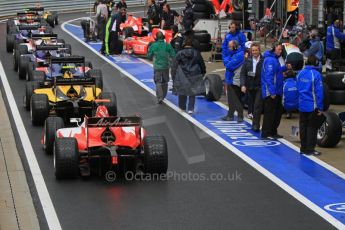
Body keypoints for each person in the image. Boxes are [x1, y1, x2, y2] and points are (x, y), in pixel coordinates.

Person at [261, 43, 291, 139]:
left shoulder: (275, 59)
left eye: (281, 50)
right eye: (279, 49)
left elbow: (277, 71)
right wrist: (272, 92)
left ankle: (273, 132)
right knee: (269, 114)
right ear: (274, 50)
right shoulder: (270, 60)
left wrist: (286, 68)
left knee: (277, 113)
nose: (280, 51)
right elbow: (269, 77)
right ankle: (266, 133)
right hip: (271, 92)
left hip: (277, 91)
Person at [296, 55, 324, 155]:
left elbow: (297, 89)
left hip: (301, 104)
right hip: (312, 106)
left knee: (303, 126)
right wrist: (320, 107)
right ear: (315, 63)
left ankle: (303, 148)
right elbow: (319, 93)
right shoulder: (316, 74)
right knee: (312, 128)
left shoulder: (300, 73)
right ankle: (310, 149)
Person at [173, 37, 206, 114]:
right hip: (194, 73)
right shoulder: (196, 53)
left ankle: (182, 107)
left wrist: (174, 75)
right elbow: (202, 64)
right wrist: (203, 72)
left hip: (182, 75)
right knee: (192, 91)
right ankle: (191, 108)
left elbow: (174, 65)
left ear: (184, 44)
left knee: (182, 90)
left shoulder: (180, 53)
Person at [240, 43, 263, 131]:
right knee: (252, 105)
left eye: (256, 50)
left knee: (257, 106)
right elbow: (243, 73)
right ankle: (253, 119)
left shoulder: (263, 60)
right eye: (253, 50)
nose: (254, 52)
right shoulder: (247, 60)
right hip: (250, 86)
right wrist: (243, 85)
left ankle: (255, 125)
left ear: (259, 50)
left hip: (259, 86)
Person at [147, 31, 176, 103]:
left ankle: (160, 97)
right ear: (163, 37)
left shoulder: (154, 45)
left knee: (158, 81)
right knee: (165, 81)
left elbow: (149, 55)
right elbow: (173, 55)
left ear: (156, 38)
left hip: (157, 66)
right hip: (166, 66)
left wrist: (150, 57)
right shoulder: (168, 45)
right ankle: (163, 96)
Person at [221, 40, 245, 122]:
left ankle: (240, 116)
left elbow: (229, 65)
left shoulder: (239, 55)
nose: (229, 48)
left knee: (236, 99)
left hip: (235, 80)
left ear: (235, 46)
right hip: (230, 79)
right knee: (230, 99)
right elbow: (227, 63)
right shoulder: (233, 54)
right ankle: (230, 115)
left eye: (230, 46)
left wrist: (227, 60)